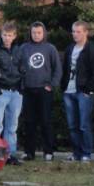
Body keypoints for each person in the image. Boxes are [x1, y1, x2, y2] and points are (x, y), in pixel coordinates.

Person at [20, 21, 62, 161]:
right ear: (30, 33)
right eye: (34, 33)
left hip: (44, 90)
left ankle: (48, 151)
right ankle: (29, 152)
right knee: (29, 122)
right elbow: (18, 67)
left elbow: (57, 69)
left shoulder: (50, 48)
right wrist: (22, 84)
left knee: (46, 121)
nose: (36, 35)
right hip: (28, 90)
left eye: (39, 33)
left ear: (43, 33)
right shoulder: (24, 48)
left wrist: (51, 85)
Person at [59, 21, 94, 162]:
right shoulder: (70, 48)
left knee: (84, 124)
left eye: (78, 31)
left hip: (83, 92)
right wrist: (63, 87)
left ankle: (86, 153)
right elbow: (65, 69)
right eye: (73, 31)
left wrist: (88, 90)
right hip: (68, 92)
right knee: (72, 125)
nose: (75, 34)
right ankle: (76, 153)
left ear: (85, 32)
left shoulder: (91, 49)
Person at [0, 22, 24, 164]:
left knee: (12, 126)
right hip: (1, 91)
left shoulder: (18, 50)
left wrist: (21, 89)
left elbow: (23, 69)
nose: (7, 38)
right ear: (1, 34)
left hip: (16, 92)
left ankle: (10, 154)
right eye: (4, 35)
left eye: (10, 35)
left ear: (14, 36)